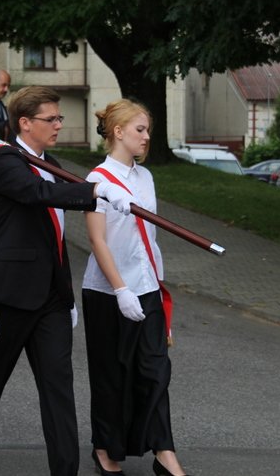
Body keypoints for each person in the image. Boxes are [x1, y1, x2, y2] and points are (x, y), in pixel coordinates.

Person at [0, 86, 135, 476]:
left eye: (59, 118)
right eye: (50, 119)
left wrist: (66, 296)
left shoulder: (51, 163)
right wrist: (96, 190)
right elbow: (37, 193)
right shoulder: (4, 159)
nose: (58, 124)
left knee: (59, 391)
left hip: (51, 300)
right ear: (25, 123)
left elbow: (56, 237)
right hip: (8, 296)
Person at [82, 99, 188, 476]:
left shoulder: (146, 177)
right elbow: (97, 240)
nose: (146, 137)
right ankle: (104, 448)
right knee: (111, 373)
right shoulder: (97, 179)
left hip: (146, 285)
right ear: (118, 132)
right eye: (140, 130)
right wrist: (120, 289)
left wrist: (153, 283)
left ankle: (164, 451)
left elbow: (149, 239)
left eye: (148, 131)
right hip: (107, 291)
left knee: (156, 369)